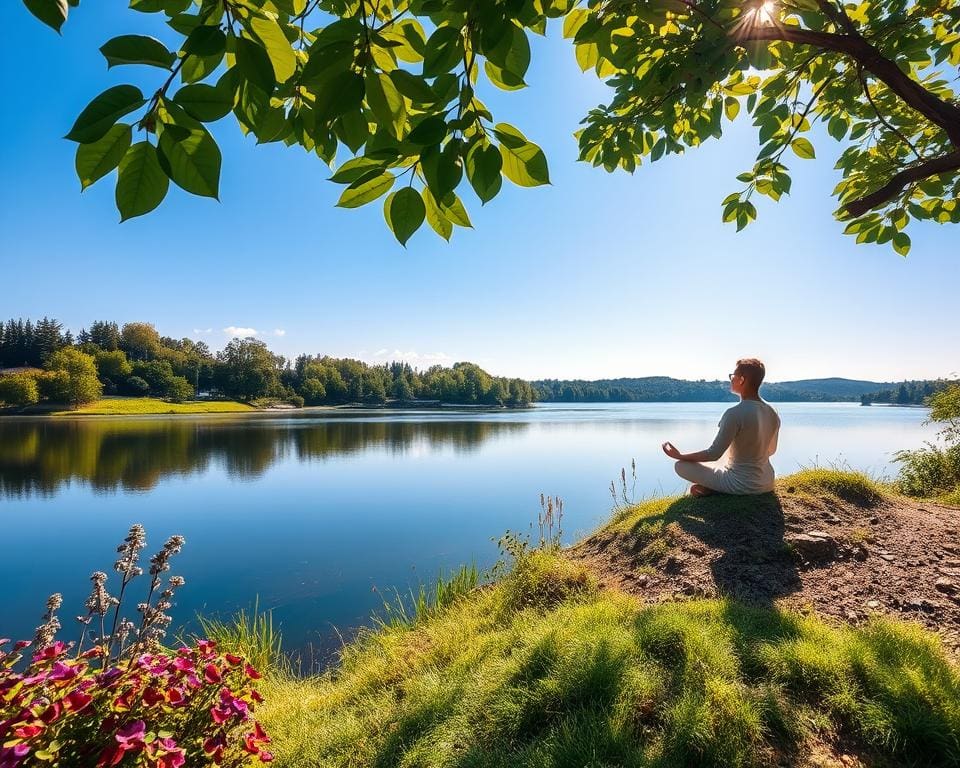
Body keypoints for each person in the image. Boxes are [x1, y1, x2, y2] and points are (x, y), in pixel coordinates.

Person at [661, 359, 781, 496]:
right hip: (767, 482)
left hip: (742, 485)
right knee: (726, 458)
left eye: (733, 376)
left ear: (741, 380)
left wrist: (680, 456)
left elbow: (713, 454)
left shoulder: (734, 413)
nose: (731, 379)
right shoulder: (772, 411)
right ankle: (710, 488)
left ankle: (713, 489)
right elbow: (771, 451)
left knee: (680, 465)